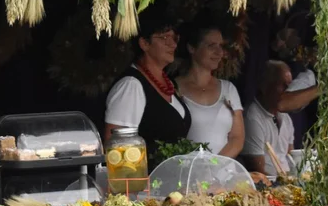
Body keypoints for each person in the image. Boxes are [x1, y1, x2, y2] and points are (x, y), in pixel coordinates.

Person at [105, 13, 192, 160]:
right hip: (148, 179)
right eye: (165, 38)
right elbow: (115, 148)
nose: (173, 44)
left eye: (174, 38)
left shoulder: (169, 83)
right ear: (144, 43)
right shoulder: (131, 86)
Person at [176, 24, 244, 157]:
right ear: (192, 48)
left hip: (223, 172)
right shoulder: (173, 88)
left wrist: (214, 166)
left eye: (221, 46)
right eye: (211, 46)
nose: (219, 52)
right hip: (188, 172)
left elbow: (237, 138)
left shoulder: (228, 89)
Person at [243, 60, 296, 179]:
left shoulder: (285, 117)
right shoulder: (252, 118)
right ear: (265, 86)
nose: (288, 91)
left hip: (288, 181)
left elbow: (291, 157)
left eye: (290, 85)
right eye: (283, 85)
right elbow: (258, 170)